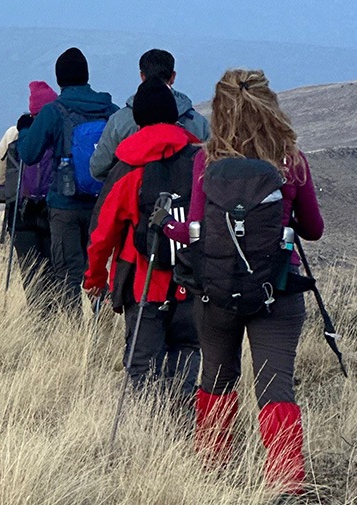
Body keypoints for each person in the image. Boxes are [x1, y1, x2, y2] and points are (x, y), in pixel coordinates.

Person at [159, 69, 323, 496]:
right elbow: (315, 229)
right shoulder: (291, 161)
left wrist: (168, 229)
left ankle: (213, 473)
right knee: (276, 385)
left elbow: (195, 228)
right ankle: (286, 483)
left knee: (215, 378)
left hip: (216, 293)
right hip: (278, 290)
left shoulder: (206, 162)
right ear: (271, 106)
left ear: (220, 109)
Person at [83, 78, 201, 401]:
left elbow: (101, 233)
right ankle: (180, 435)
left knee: (142, 370)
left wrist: (95, 278)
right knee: (187, 357)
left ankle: (147, 441)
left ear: (137, 121)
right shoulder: (199, 161)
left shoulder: (128, 168)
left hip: (143, 284)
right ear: (175, 116)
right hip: (193, 281)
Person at [17, 47, 119, 314]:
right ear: (86, 76)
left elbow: (29, 154)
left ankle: (72, 336)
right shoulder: (110, 109)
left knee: (67, 272)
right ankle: (104, 322)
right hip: (102, 205)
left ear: (59, 79)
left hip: (65, 204)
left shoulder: (54, 111)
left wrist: (26, 129)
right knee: (96, 268)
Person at [0, 81, 58, 308]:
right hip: (53, 213)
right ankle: (55, 321)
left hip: (21, 214)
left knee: (30, 273)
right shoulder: (60, 130)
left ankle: (37, 319)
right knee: (53, 273)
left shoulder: (14, 134)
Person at [89, 49, 210, 182]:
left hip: (133, 197)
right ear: (173, 76)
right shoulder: (198, 122)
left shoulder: (119, 121)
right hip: (185, 198)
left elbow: (99, 168)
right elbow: (210, 166)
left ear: (142, 76)